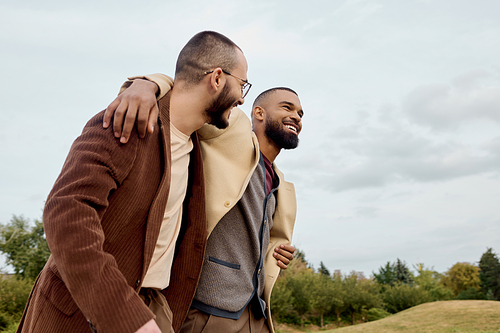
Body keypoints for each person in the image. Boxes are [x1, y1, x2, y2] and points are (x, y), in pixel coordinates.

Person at [17, 31, 251, 333]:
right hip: (88, 311)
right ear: (217, 78)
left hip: (155, 306)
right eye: (242, 84)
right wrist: (125, 315)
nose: (243, 97)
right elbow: (66, 213)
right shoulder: (129, 120)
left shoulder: (200, 144)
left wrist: (149, 82)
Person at [104, 76, 303, 332]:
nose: (297, 117)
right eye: (287, 108)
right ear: (259, 112)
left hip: (257, 315)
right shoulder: (233, 130)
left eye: (300, 113)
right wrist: (147, 84)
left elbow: (261, 236)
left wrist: (275, 251)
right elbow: (191, 92)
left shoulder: (281, 183)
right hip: (208, 312)